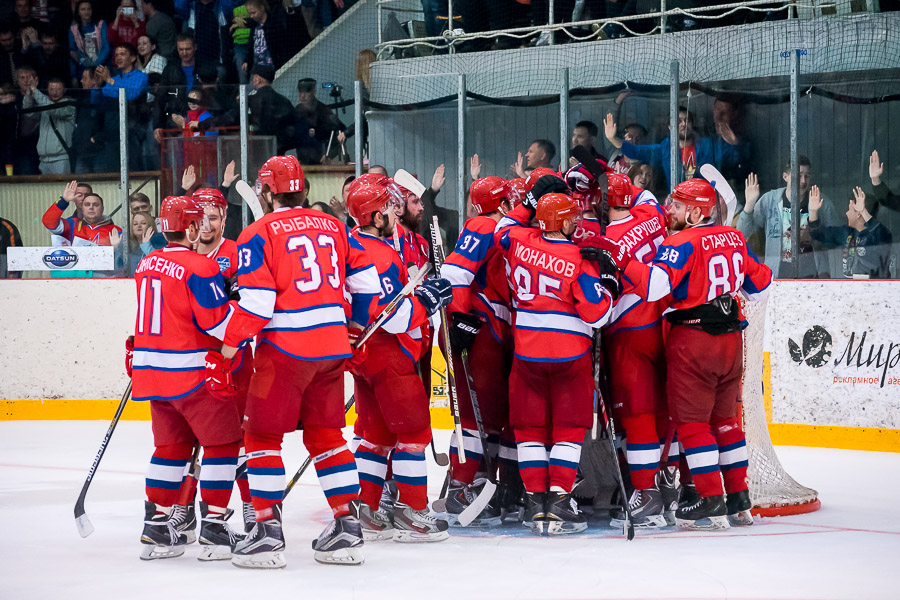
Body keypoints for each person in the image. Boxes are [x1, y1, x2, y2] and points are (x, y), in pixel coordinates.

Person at [206, 155, 382, 569]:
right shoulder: (336, 226)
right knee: (326, 436)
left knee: (262, 438)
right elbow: (367, 283)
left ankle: (266, 532)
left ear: (267, 192)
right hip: (331, 348)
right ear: (303, 189)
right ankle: (347, 527)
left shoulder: (258, 232)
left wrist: (226, 351)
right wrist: (355, 330)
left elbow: (258, 305)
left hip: (285, 351)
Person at [620, 177, 772, 530]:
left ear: (693, 214)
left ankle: (709, 498)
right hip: (732, 342)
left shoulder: (680, 242)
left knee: (692, 424)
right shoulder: (734, 237)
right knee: (728, 423)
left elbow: (656, 286)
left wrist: (623, 262)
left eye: (676, 205)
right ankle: (739, 499)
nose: (668, 210)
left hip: (694, 341)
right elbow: (760, 287)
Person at [495, 187, 616, 535]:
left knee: (529, 428)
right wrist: (609, 283)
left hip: (526, 353)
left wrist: (529, 202)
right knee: (567, 428)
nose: (577, 225)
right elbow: (597, 314)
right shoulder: (578, 261)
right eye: (572, 220)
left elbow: (503, 228)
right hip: (569, 357)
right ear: (563, 223)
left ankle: (535, 502)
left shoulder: (518, 243)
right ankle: (561, 501)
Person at [130, 194, 244, 561]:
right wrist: (240, 305)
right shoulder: (200, 267)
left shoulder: (146, 263)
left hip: (152, 373)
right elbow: (219, 324)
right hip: (193, 374)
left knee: (170, 448)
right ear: (192, 227)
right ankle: (213, 524)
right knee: (223, 445)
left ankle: (158, 527)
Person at [346, 178, 453, 543]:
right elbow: (397, 317)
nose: (395, 213)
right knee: (412, 434)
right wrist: (429, 299)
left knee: (375, 436)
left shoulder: (351, 244)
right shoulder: (380, 254)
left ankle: (368, 509)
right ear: (375, 216)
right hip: (388, 353)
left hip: (360, 354)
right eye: (389, 208)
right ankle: (412, 512)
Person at [580, 173, 676, 528]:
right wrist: (616, 177)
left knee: (638, 417)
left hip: (629, 332)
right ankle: (668, 486)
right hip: (664, 324)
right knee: (665, 411)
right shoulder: (652, 214)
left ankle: (645, 492)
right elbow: (644, 193)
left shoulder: (606, 241)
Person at [439, 176, 517, 526]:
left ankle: (484, 483)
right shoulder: (483, 224)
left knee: (493, 415)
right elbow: (454, 271)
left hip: (494, 329)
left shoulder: (508, 228)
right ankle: (462, 485)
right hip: (476, 327)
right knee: (474, 415)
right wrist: (462, 319)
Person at [737, 157, 837, 278]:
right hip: (778, 274)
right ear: (785, 177)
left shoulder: (822, 202)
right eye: (799, 175)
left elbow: (835, 240)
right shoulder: (770, 200)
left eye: (807, 176)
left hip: (813, 273)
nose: (803, 181)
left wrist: (814, 232)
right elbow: (743, 233)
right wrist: (749, 204)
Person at [604, 108, 742, 188]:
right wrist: (613, 139)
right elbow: (637, 152)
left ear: (692, 125)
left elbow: (734, 160)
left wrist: (734, 143)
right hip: (679, 205)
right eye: (678, 121)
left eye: (687, 120)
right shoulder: (665, 148)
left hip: (705, 204)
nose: (683, 124)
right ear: (670, 127)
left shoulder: (707, 145)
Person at [809, 185, 893, 279]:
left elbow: (881, 233)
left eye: (849, 209)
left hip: (876, 290)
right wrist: (813, 212)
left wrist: (863, 211)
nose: (846, 213)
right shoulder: (846, 232)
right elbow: (818, 234)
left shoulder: (877, 235)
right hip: (850, 290)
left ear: (858, 214)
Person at [21, 76, 75, 174]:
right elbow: (28, 112)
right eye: (51, 89)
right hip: (43, 159)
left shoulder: (69, 104)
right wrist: (29, 92)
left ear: (65, 90)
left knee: (63, 188)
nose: (54, 92)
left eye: (58, 89)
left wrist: (35, 90)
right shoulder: (44, 104)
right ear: (47, 90)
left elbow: (52, 109)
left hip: (61, 158)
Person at [42, 181, 122, 246]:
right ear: (82, 208)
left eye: (95, 204)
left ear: (102, 208)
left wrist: (117, 249)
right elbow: (48, 221)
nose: (91, 207)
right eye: (79, 195)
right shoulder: (71, 225)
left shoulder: (116, 230)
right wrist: (63, 201)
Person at [246, 64, 298, 155]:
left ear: (258, 79)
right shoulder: (284, 101)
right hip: (279, 153)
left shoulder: (250, 100)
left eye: (253, 77)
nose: (252, 80)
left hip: (256, 152)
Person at [294, 78, 345, 165]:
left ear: (314, 92)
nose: (303, 96)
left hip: (322, 164)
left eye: (306, 92)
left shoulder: (324, 111)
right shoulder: (297, 110)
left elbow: (341, 132)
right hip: (302, 162)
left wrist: (329, 154)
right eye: (300, 92)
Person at [67, 0, 109, 87]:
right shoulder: (73, 29)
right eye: (83, 9)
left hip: (101, 68)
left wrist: (96, 64)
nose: (86, 12)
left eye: (88, 9)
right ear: (78, 12)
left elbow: (106, 47)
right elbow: (72, 51)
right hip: (83, 71)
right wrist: (74, 75)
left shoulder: (101, 24)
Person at [243, 0, 291, 73]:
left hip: (272, 66)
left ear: (262, 8)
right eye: (250, 14)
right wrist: (247, 61)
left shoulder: (274, 24)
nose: (251, 16)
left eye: (253, 13)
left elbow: (281, 46)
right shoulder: (254, 26)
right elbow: (251, 46)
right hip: (257, 67)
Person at [127, 210, 156, 275]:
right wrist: (116, 247)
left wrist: (147, 246)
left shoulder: (158, 243)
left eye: (143, 223)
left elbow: (159, 262)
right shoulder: (128, 246)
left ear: (150, 226)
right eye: (135, 224)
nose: (139, 226)